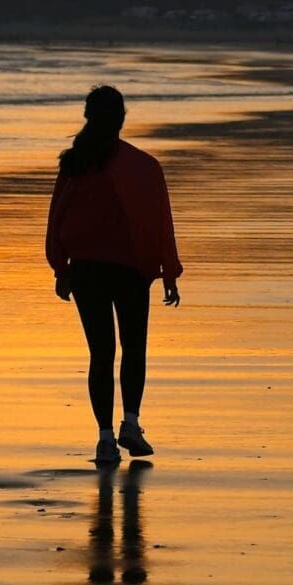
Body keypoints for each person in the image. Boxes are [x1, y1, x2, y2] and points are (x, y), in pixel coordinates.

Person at [45, 85, 182, 468]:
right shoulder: (143, 166)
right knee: (133, 348)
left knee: (101, 354)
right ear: (122, 118)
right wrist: (169, 272)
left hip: (86, 270)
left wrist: (60, 266)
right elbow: (160, 223)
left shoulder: (74, 162)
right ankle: (132, 424)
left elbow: (57, 217)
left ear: (88, 117)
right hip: (132, 270)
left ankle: (105, 438)